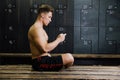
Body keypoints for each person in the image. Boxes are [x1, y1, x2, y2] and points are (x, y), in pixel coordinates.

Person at [28, 4, 74, 71]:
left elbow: (44, 50)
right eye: (49, 17)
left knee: (69, 59)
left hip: (44, 60)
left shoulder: (40, 28)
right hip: (40, 63)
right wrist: (59, 40)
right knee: (69, 57)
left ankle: (58, 69)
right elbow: (45, 48)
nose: (50, 20)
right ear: (42, 15)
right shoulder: (36, 29)